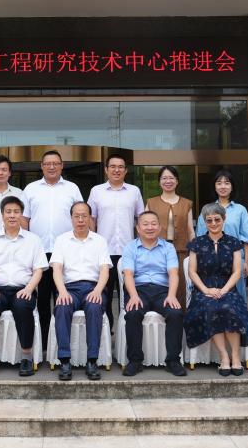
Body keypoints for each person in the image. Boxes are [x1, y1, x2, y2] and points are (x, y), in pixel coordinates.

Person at [0, 196, 47, 377]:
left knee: (23, 307)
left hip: (23, 288)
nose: (12, 215)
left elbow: (39, 269)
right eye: (8, 212)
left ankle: (26, 356)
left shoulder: (33, 240)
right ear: (2, 215)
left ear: (21, 214)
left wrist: (29, 289)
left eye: (16, 212)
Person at [22, 150, 84, 349]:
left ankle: (61, 341)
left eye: (55, 163)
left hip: (66, 251)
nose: (51, 167)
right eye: (47, 163)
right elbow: (25, 220)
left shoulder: (72, 188)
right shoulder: (31, 189)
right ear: (41, 166)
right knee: (42, 298)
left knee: (63, 297)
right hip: (39, 251)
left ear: (62, 166)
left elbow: (81, 215)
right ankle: (44, 342)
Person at [183, 203, 248, 376]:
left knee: (230, 308)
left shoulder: (234, 242)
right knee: (211, 307)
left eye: (217, 219)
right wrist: (206, 290)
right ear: (204, 222)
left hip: (228, 288)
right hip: (203, 289)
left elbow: (237, 272)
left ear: (223, 219)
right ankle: (224, 357)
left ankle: (235, 356)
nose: (213, 223)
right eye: (209, 220)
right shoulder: (196, 243)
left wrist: (224, 290)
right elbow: (192, 272)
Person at [121, 211, 186, 377]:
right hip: (138, 290)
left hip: (162, 291)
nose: (149, 227)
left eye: (153, 223)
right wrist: (133, 295)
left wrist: (171, 295)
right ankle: (135, 361)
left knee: (176, 313)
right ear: (138, 228)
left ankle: (173, 361)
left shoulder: (168, 247)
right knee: (133, 313)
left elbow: (173, 273)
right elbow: (128, 274)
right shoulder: (130, 247)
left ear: (159, 227)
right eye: (145, 224)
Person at [51, 201, 111, 381]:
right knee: (62, 307)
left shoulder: (99, 240)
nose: (80, 220)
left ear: (90, 218)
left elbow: (105, 270)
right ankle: (64, 360)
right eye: (76, 216)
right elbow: (57, 269)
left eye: (84, 216)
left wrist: (98, 291)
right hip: (69, 288)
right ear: (71, 218)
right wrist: (62, 292)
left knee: (94, 307)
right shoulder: (62, 240)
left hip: (93, 287)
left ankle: (92, 360)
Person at [88, 154, 144, 329]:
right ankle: (107, 331)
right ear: (106, 170)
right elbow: (91, 219)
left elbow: (141, 219)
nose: (116, 170)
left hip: (128, 251)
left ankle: (126, 331)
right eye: (113, 166)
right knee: (103, 291)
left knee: (127, 292)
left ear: (126, 170)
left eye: (120, 167)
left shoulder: (134, 191)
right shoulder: (96, 191)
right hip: (104, 251)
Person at [196, 169, 248, 299]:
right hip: (211, 259)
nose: (223, 186)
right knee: (213, 296)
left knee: (237, 296)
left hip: (236, 259)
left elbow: (246, 238)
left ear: (232, 187)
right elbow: (200, 237)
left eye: (227, 183)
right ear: (214, 187)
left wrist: (246, 262)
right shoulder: (207, 209)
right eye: (219, 183)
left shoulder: (240, 210)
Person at [145, 165, 195, 308]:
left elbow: (190, 230)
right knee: (158, 283)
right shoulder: (151, 202)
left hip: (181, 251)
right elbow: (144, 228)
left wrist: (194, 251)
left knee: (181, 286)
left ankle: (179, 317)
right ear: (159, 181)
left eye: (171, 178)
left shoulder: (186, 203)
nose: (168, 181)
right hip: (156, 251)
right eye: (164, 178)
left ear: (177, 181)